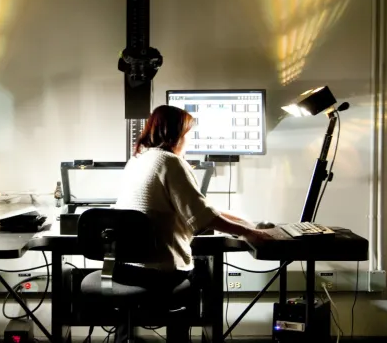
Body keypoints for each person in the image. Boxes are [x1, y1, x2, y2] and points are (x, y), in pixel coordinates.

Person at [112, 105, 273, 342]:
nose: (189, 141)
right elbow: (203, 218)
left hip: (123, 270)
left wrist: (246, 223)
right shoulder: (170, 162)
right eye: (188, 134)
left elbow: (202, 209)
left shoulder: (136, 162)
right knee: (204, 274)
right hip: (158, 275)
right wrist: (251, 234)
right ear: (176, 134)